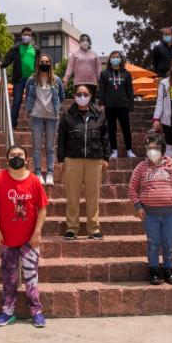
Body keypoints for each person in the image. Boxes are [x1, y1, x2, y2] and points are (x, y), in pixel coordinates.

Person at [0, 145, 48, 328]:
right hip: (7, 239)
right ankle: (8, 311)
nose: (16, 157)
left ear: (27, 158)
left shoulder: (34, 181)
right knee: (8, 277)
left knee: (31, 276)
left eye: (20, 155)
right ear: (7, 159)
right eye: (13, 155)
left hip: (30, 240)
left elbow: (42, 208)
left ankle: (36, 311)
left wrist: (37, 232)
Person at [129, 131, 172, 286]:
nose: (152, 151)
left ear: (162, 149)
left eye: (155, 147)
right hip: (150, 215)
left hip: (170, 214)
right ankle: (154, 271)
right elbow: (132, 188)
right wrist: (138, 206)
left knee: (168, 243)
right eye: (148, 148)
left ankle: (169, 271)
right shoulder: (141, 168)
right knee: (153, 243)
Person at [57, 84, 110, 240]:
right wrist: (61, 159)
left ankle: (94, 229)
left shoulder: (99, 113)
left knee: (93, 197)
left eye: (85, 94)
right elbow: (61, 139)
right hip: (73, 159)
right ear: (74, 95)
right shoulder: (67, 114)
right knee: (72, 196)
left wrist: (106, 157)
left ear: (90, 95)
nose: (82, 96)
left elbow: (106, 137)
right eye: (79, 93)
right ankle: (71, 229)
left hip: (95, 159)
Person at [24, 53, 65, 185]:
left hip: (52, 118)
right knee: (36, 147)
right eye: (42, 61)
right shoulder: (31, 80)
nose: (44, 64)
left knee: (50, 147)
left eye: (47, 62)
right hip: (36, 117)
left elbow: (62, 97)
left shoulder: (56, 80)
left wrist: (55, 108)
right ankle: (37, 173)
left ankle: (50, 174)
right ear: (38, 64)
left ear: (50, 64)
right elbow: (28, 97)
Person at [0, 27, 40, 129]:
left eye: (29, 35)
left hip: (32, 79)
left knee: (33, 101)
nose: (27, 36)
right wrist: (2, 64)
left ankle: (35, 124)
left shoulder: (35, 49)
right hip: (19, 79)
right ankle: (13, 124)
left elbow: (40, 62)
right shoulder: (15, 48)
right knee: (17, 101)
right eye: (25, 34)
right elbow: (8, 59)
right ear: (21, 35)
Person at [98, 50, 135, 159]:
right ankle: (114, 150)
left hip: (123, 105)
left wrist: (131, 105)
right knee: (111, 129)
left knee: (126, 129)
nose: (115, 59)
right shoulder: (104, 74)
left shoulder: (127, 74)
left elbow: (130, 91)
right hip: (109, 106)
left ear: (121, 59)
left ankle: (129, 150)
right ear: (110, 59)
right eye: (113, 57)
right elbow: (102, 90)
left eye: (117, 57)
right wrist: (101, 103)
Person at [64, 34, 101, 101]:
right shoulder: (75, 54)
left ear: (90, 43)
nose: (85, 42)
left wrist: (100, 79)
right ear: (80, 42)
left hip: (92, 83)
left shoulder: (94, 54)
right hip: (78, 82)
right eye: (83, 40)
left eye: (87, 40)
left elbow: (98, 68)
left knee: (91, 103)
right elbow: (70, 67)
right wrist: (66, 79)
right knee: (79, 102)